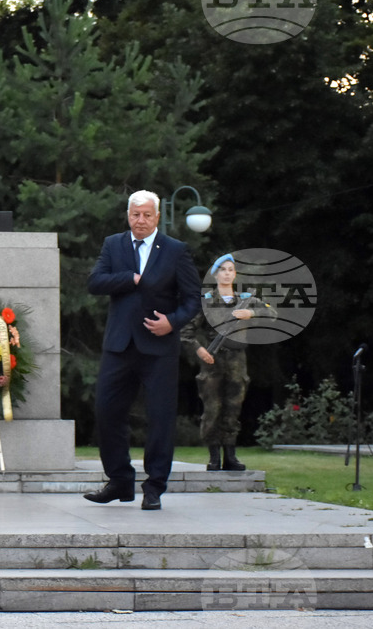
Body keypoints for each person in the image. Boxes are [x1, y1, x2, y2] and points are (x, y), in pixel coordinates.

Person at [85, 190, 201, 510]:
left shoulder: (176, 251)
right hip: (119, 344)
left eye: (147, 215)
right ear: (128, 215)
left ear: (157, 217)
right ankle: (120, 479)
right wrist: (129, 278)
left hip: (159, 347)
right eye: (135, 214)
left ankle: (154, 486)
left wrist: (172, 322)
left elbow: (193, 300)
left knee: (161, 418)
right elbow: (95, 282)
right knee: (107, 412)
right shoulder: (114, 244)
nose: (141, 220)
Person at [182, 254, 276, 472]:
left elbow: (271, 313)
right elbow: (186, 333)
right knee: (212, 409)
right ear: (215, 274)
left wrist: (250, 313)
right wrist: (200, 349)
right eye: (222, 269)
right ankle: (214, 456)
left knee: (233, 408)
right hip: (212, 361)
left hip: (237, 361)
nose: (226, 273)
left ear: (235, 274)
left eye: (230, 270)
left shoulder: (245, 299)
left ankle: (230, 455)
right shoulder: (206, 301)